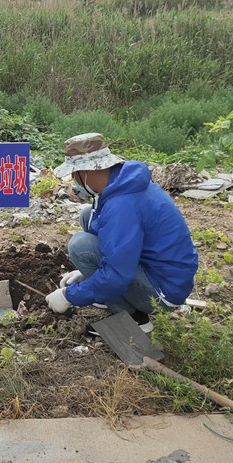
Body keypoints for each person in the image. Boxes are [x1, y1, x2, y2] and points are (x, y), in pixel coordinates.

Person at [45, 133, 198, 334]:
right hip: (165, 276)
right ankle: (108, 295)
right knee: (87, 215)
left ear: (87, 171)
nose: (74, 180)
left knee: (80, 245)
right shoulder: (123, 183)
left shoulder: (121, 205)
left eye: (74, 173)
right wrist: (88, 273)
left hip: (163, 292)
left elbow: (118, 275)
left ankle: (134, 319)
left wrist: (69, 296)